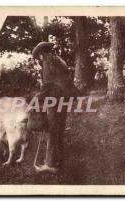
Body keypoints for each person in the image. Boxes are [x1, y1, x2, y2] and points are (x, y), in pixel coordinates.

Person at [32, 42, 77, 173]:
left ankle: (51, 165)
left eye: (38, 57)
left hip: (54, 99)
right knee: (59, 130)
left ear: (41, 54)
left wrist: (38, 98)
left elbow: (47, 85)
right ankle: (59, 161)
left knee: (52, 131)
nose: (39, 60)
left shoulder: (47, 63)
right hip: (63, 98)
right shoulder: (59, 60)